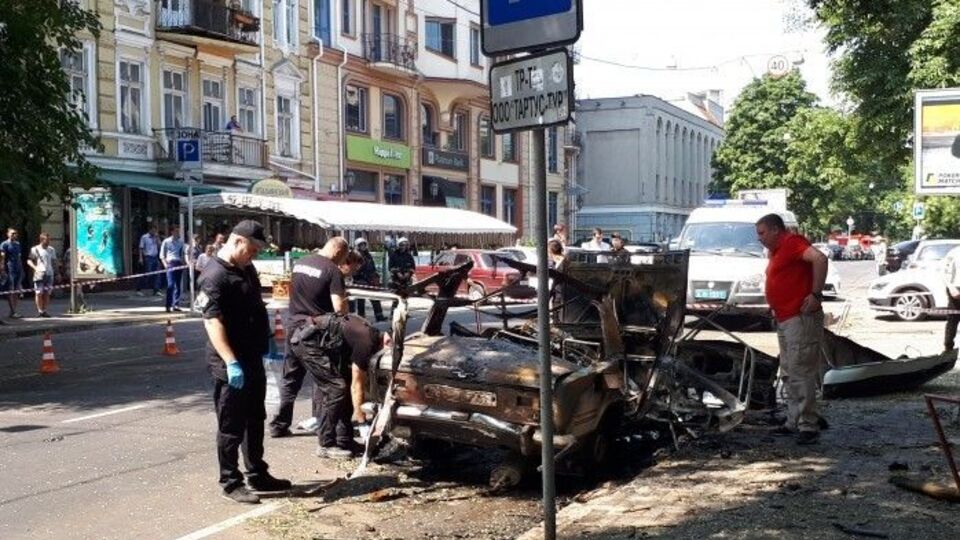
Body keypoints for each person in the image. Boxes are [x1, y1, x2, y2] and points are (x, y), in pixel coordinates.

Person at [198, 220, 290, 504]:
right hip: (231, 363)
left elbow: (253, 305)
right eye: (252, 249)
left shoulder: (245, 268)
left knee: (255, 418)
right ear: (237, 242)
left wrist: (266, 338)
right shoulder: (213, 275)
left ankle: (257, 473)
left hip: (252, 357)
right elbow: (212, 322)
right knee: (231, 425)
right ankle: (230, 482)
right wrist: (230, 361)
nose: (255, 255)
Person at [269, 237, 351, 457]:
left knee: (290, 380)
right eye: (343, 256)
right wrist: (345, 303)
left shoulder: (301, 262)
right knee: (331, 385)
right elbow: (339, 308)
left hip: (293, 326)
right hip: (315, 333)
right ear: (338, 251)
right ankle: (326, 441)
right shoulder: (333, 270)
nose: (343, 260)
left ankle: (279, 424)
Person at [756, 213, 828, 446]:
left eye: (762, 232)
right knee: (789, 370)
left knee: (801, 370)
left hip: (800, 318)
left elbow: (819, 258)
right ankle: (794, 420)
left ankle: (809, 425)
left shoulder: (793, 243)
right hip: (785, 317)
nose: (760, 238)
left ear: (776, 230)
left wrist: (816, 295)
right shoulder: (776, 250)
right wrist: (775, 305)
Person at [351, 238, 386, 322]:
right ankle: (361, 319)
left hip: (370, 280)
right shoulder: (354, 256)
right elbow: (354, 270)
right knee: (361, 301)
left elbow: (372, 267)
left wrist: (375, 276)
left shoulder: (368, 255)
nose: (363, 246)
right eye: (361, 245)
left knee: (375, 298)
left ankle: (379, 316)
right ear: (357, 246)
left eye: (364, 244)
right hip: (360, 281)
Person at [27, 233, 57, 318]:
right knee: (39, 293)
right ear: (41, 240)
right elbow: (29, 260)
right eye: (47, 240)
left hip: (49, 274)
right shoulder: (35, 249)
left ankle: (44, 310)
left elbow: (54, 261)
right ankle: (40, 310)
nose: (48, 242)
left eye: (49, 240)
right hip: (39, 274)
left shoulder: (51, 249)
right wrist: (35, 268)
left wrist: (57, 273)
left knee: (47, 293)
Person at [160, 226, 186, 313]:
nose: (178, 233)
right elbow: (162, 255)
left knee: (178, 285)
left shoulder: (181, 242)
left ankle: (176, 304)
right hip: (170, 263)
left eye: (178, 232)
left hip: (178, 263)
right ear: (172, 232)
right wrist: (165, 265)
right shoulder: (166, 241)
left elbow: (182, 253)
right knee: (170, 285)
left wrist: (183, 262)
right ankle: (168, 305)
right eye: (176, 231)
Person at [1, 228, 24, 318]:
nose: (14, 235)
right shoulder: (4, 244)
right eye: (12, 233)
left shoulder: (17, 244)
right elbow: (2, 257)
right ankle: (13, 311)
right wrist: (2, 269)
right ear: (8, 234)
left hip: (18, 269)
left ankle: (14, 311)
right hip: (10, 269)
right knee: (10, 290)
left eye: (16, 233)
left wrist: (22, 269)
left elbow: (19, 257)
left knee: (16, 291)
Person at [137, 225, 162, 296]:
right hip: (148, 257)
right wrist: (140, 258)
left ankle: (156, 290)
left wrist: (157, 238)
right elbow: (141, 248)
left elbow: (160, 245)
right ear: (150, 230)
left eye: (155, 231)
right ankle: (139, 288)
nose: (154, 232)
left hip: (155, 257)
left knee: (158, 273)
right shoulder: (144, 237)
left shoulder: (156, 237)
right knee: (147, 273)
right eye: (153, 230)